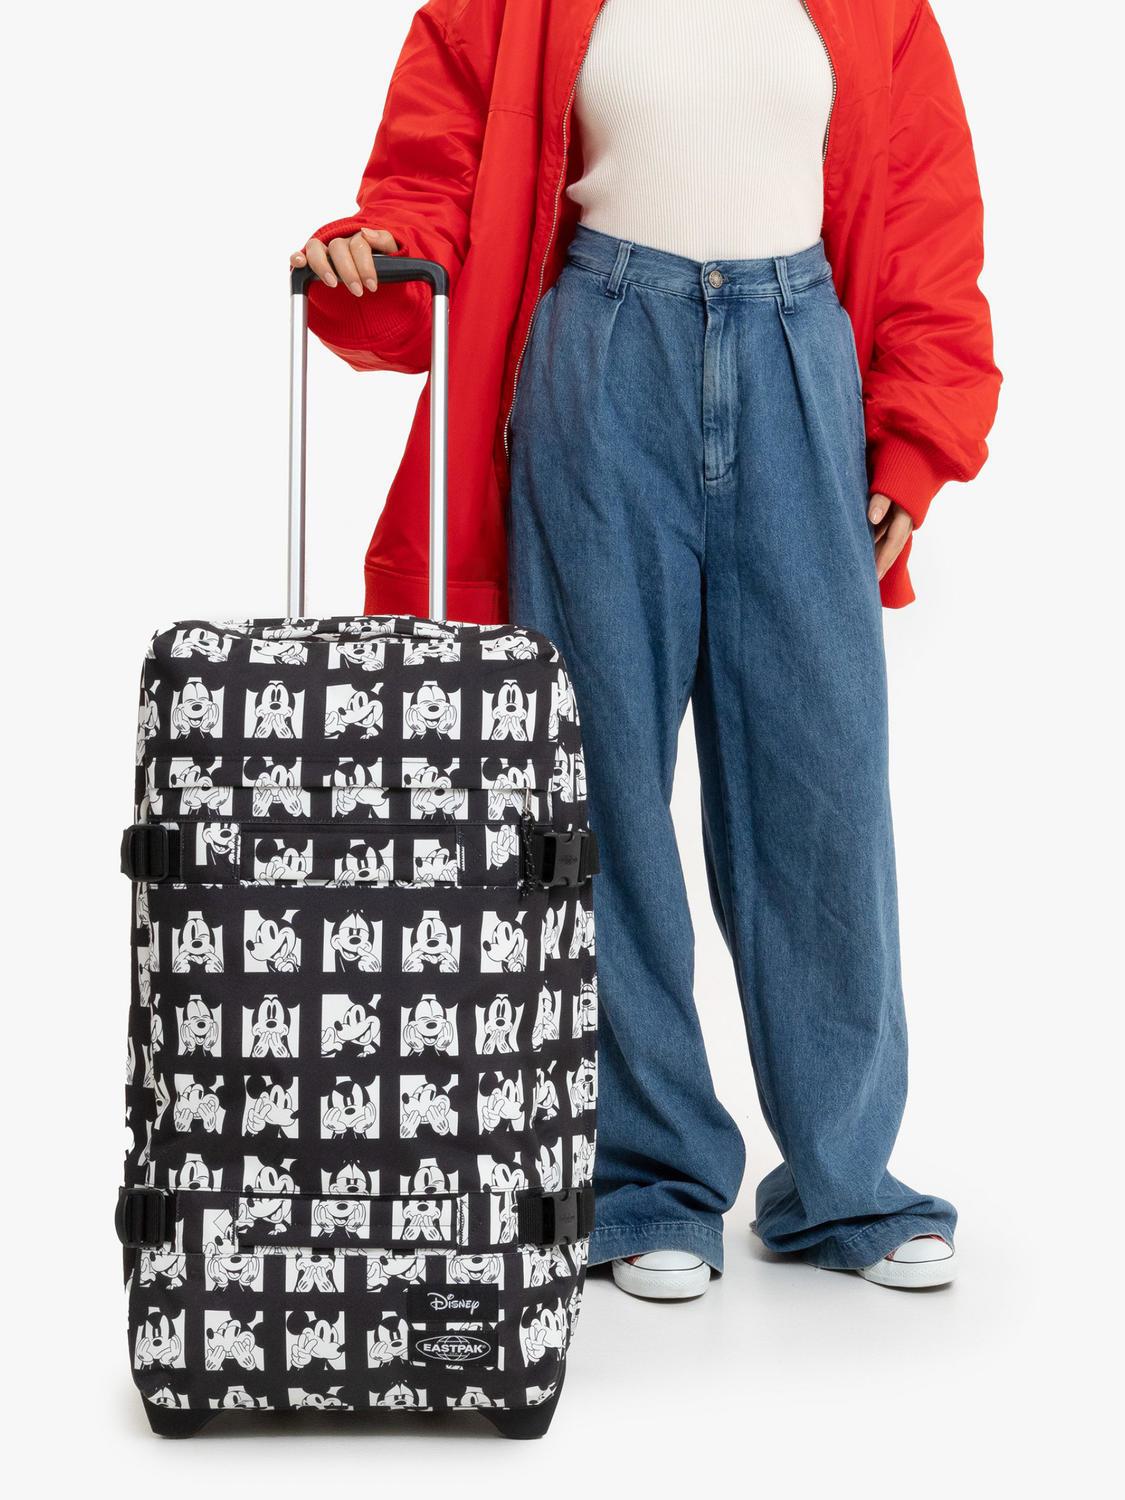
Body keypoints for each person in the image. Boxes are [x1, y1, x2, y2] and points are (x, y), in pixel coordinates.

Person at [292, 0, 1000, 1300]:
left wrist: (911, 442)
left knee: (824, 787)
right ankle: (648, 1180)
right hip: (600, 356)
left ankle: (844, 1182)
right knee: (599, 784)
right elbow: (432, 189)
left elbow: (925, 224)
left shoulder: (881, 9)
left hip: (802, 355)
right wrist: (376, 252)